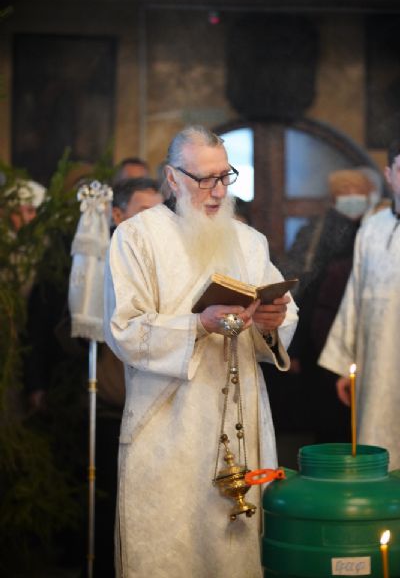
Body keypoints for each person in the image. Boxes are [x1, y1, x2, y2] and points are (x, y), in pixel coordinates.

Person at [104, 125, 298, 578]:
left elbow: (283, 315)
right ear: (173, 178)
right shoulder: (136, 238)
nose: (218, 191)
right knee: (169, 551)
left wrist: (271, 323)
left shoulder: (249, 241)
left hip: (238, 418)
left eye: (224, 176)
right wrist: (197, 325)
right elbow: (124, 329)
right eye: (204, 179)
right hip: (167, 425)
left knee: (232, 555)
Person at [267, 167, 379, 445]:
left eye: (357, 192)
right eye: (345, 193)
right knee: (328, 417)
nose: (352, 198)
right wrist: (294, 347)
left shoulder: (375, 228)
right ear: (333, 197)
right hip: (320, 333)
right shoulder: (316, 231)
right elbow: (301, 287)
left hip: (364, 331)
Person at [94, 177, 163, 577]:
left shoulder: (164, 260)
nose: (153, 222)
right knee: (113, 500)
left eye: (160, 211)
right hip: (115, 401)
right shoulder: (101, 259)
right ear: (118, 216)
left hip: (158, 404)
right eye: (143, 212)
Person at [318, 142, 400, 469]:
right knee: (379, 452)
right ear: (389, 175)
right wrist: (345, 363)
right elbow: (354, 298)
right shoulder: (372, 229)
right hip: (377, 367)